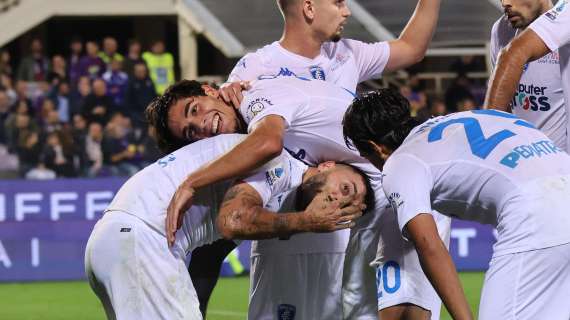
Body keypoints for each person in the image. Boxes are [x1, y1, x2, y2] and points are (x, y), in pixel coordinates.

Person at [212, 0, 446, 318]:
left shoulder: (347, 53)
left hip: (352, 207)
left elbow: (411, 48)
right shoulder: (256, 67)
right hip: (292, 219)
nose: (346, 11)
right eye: (337, 2)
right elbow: (237, 134)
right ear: (308, 7)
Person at [147, 76, 449, 320]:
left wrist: (192, 182)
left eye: (195, 109)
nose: (201, 125)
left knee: (404, 309)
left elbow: (269, 143)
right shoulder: (247, 135)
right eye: (190, 133)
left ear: (209, 90)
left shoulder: (255, 100)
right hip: (379, 199)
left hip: (407, 180)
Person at [342, 89, 570, 320]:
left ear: (375, 146)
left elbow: (429, 246)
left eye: (365, 154)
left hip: (535, 214)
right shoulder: (460, 120)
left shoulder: (401, 161)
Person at [84, 133, 367, 319]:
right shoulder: (277, 161)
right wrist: (307, 221)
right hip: (143, 240)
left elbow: (209, 258)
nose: (340, 198)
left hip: (120, 239)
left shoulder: (270, 195)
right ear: (327, 164)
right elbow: (232, 221)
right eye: (346, 187)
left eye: (349, 202)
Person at [485, 0, 570, 152]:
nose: (505, 3)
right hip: (521, 161)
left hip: (559, 164)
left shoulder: (565, 18)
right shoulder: (501, 30)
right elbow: (502, 107)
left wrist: (484, 139)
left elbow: (512, 54)